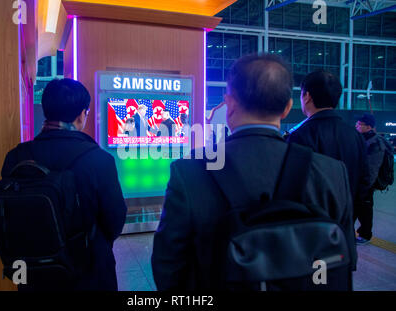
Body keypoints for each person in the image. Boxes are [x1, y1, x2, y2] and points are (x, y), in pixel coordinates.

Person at [151, 54, 357, 290]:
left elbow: (168, 265)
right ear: (287, 108)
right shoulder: (331, 172)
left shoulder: (189, 171)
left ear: (230, 104)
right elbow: (345, 258)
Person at [1, 79, 127, 290]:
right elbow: (114, 219)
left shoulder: (16, 157)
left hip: (32, 271)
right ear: (81, 115)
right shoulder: (98, 160)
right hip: (88, 270)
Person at [286, 70, 371, 227]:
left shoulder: (301, 136)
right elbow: (365, 180)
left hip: (312, 227)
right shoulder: (355, 136)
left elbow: (293, 186)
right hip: (345, 223)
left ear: (307, 96)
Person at [354, 113, 385, 244]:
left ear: (369, 127)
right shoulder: (362, 139)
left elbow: (372, 168)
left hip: (366, 184)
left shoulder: (375, 143)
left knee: (365, 211)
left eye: (359, 124)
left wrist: (365, 186)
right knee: (354, 209)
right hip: (357, 182)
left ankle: (365, 235)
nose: (356, 126)